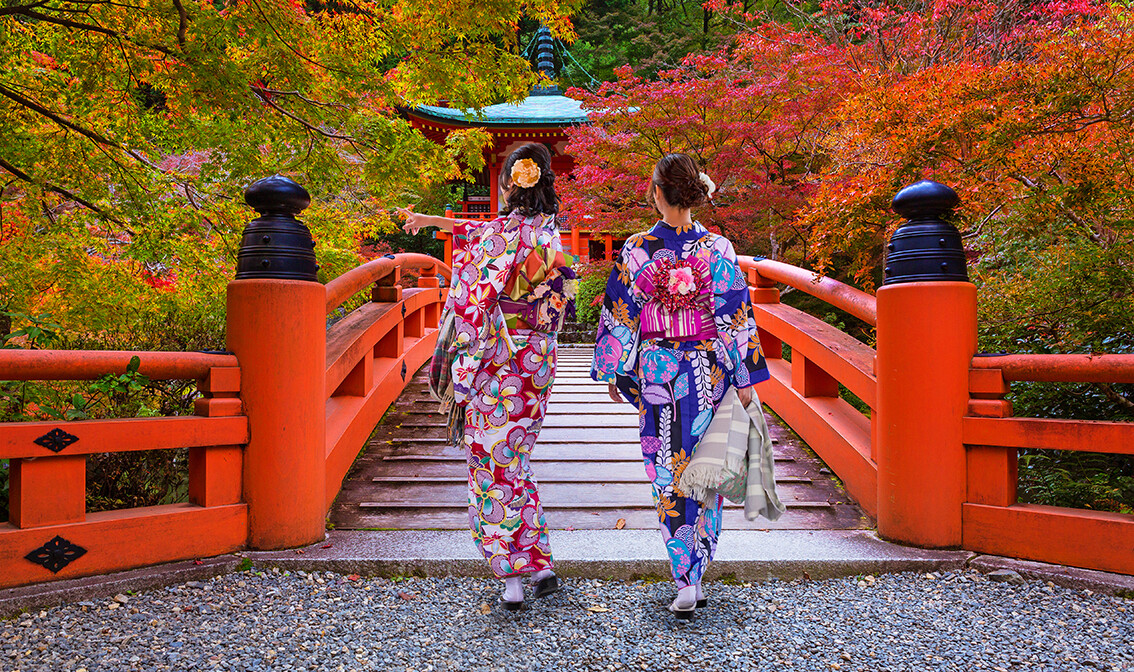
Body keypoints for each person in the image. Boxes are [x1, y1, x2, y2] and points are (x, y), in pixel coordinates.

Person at [590, 153, 769, 620]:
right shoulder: (720, 249)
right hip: (707, 371)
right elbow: (736, 316)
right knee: (705, 467)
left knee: (668, 471)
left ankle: (684, 575)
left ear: (656, 192)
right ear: (692, 193)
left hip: (658, 372)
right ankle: (698, 568)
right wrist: (745, 376)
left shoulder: (636, 248)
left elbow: (620, 312)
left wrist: (613, 368)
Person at [401, 143, 575, 610]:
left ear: (507, 185)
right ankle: (539, 562)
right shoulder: (551, 236)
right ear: (543, 183)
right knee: (515, 457)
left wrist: (430, 225)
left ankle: (511, 574)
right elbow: (563, 299)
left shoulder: (494, 234)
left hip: (495, 356)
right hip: (536, 358)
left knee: (488, 462)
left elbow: (468, 294)